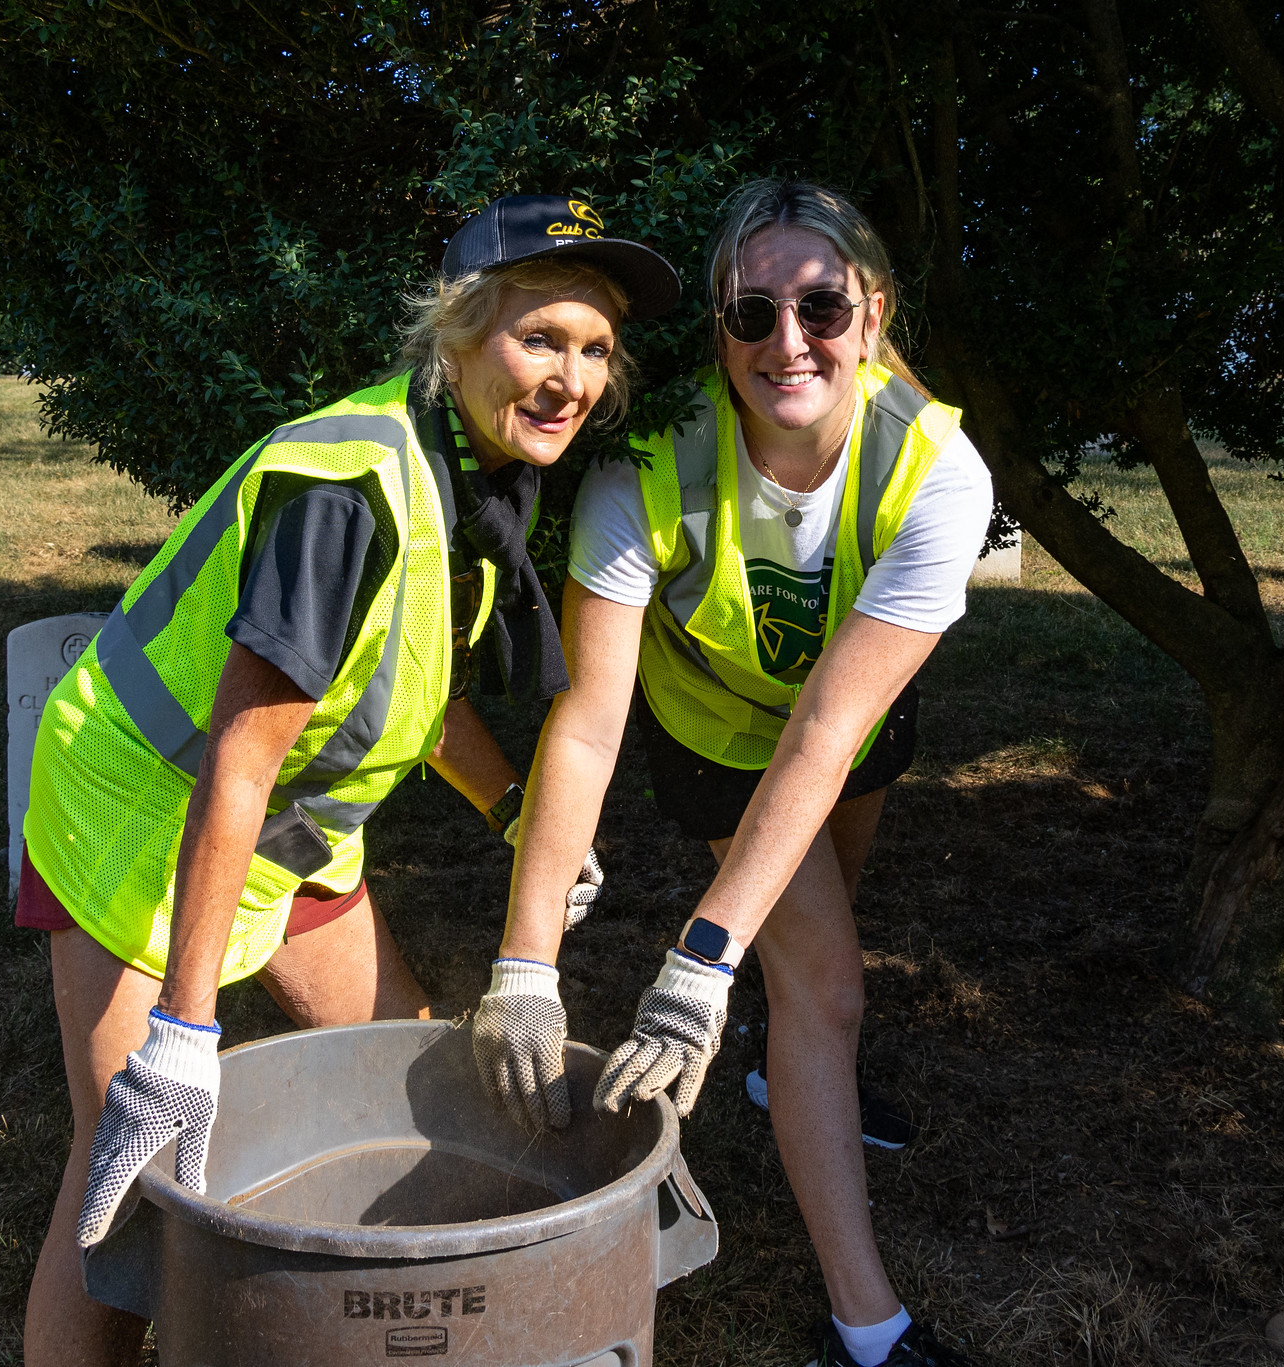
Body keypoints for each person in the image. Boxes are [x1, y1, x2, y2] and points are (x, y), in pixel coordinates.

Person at [17, 194, 681, 1366]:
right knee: (122, 1167)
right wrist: (182, 1029)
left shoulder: (474, 479)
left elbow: (416, 687)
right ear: (457, 333)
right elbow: (238, 752)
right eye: (538, 339)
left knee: (407, 1062)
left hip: (288, 829)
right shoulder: (347, 489)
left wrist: (518, 807)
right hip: (143, 815)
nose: (567, 379)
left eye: (592, 349)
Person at [471, 179, 993, 1367]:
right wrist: (524, 961)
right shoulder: (644, 463)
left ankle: (780, 1062)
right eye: (750, 313)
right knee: (829, 985)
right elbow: (589, 721)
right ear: (717, 328)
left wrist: (701, 966)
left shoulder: (941, 473)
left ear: (872, 313)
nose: (787, 340)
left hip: (843, 724)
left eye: (820, 305)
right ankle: (868, 1325)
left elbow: (823, 731)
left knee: (815, 936)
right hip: (706, 727)